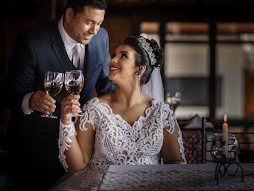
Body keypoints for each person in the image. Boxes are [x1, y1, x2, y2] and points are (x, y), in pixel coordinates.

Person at [4, 0, 114, 190]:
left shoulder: (101, 38)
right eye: (89, 22)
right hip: (35, 149)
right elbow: (11, 91)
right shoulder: (32, 42)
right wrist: (29, 99)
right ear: (70, 14)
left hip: (80, 149)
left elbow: (107, 84)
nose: (94, 30)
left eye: (99, 23)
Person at [50, 36, 187, 191]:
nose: (113, 60)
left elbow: (175, 162)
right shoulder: (95, 109)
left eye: (123, 56)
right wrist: (66, 120)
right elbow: (76, 166)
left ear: (140, 69)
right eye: (114, 54)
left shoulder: (161, 113)